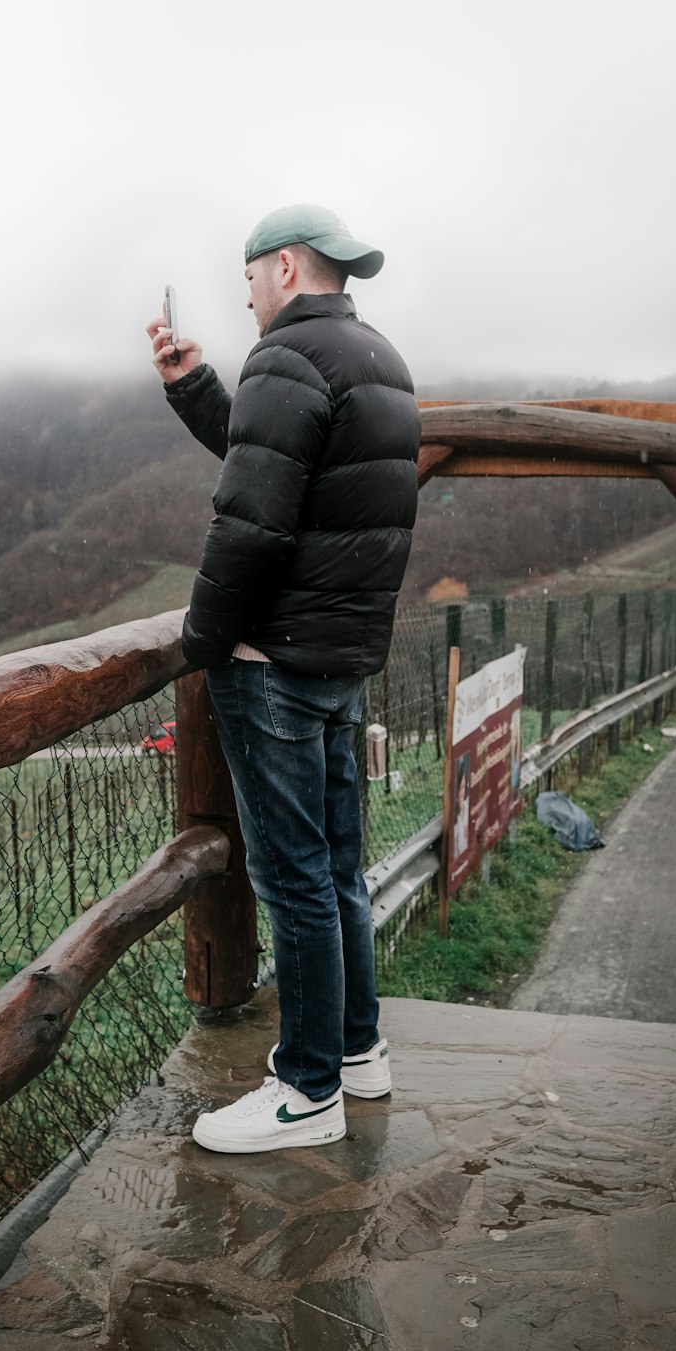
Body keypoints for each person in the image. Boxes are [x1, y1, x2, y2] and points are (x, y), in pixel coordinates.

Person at [147, 204, 420, 1154]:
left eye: (252, 276)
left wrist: (202, 642)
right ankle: (355, 1050)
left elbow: (252, 520)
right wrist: (196, 391)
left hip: (272, 664)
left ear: (289, 267)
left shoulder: (288, 357)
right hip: (340, 659)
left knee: (293, 877)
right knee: (335, 868)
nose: (247, 294)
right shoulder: (379, 360)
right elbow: (282, 465)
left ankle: (305, 1091)